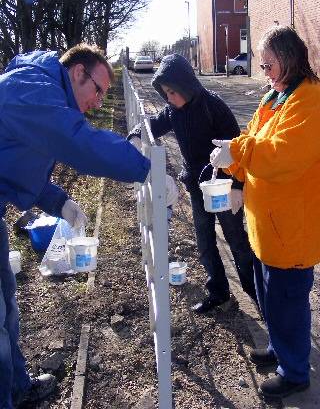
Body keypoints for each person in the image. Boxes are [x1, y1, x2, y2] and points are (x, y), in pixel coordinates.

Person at [0, 43, 151, 408]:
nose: (99, 102)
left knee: (8, 306)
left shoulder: (43, 90)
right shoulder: (31, 89)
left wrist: (57, 201)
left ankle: (17, 388)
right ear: (76, 72)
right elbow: (77, 143)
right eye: (97, 89)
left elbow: (16, 161)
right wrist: (148, 169)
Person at [210, 25, 320, 399]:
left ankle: (294, 372)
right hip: (267, 226)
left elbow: (282, 155)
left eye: (268, 61)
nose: (263, 68)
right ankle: (279, 349)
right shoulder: (276, 96)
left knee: (287, 300)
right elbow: (253, 136)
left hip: (291, 227)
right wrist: (235, 171)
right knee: (269, 294)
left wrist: (237, 154)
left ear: (288, 59)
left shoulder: (309, 100)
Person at [128, 53, 256, 313]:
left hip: (223, 186)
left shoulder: (215, 107)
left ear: (186, 85)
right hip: (198, 186)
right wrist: (136, 135)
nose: (169, 99)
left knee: (236, 238)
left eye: (172, 92)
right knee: (205, 240)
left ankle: (255, 291)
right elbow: (153, 124)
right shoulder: (173, 111)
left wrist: (237, 187)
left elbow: (239, 149)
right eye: (165, 94)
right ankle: (218, 291)